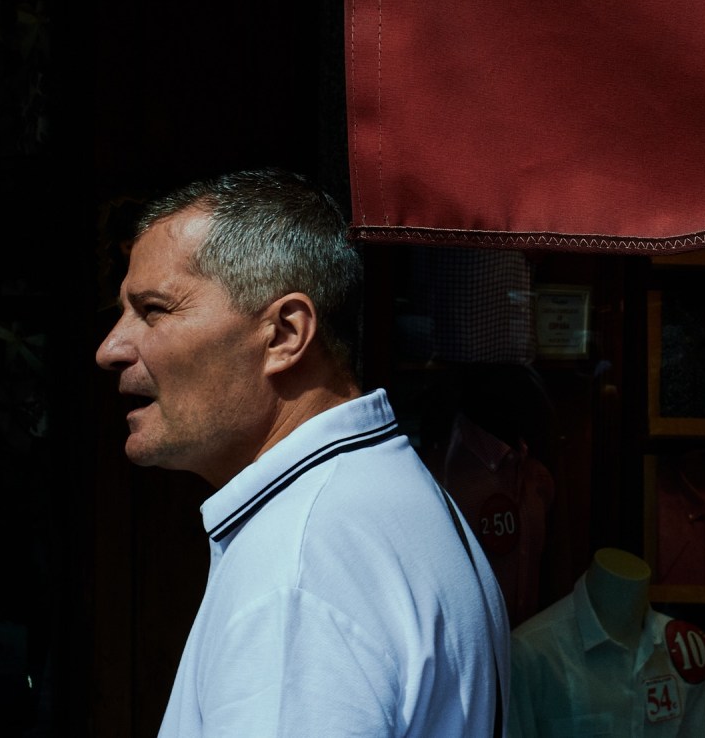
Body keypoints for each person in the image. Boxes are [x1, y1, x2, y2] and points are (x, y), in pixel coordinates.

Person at [95, 168, 508, 737]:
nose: (111, 348)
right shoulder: (378, 499)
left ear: (285, 334)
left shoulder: (301, 560)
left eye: (154, 310)